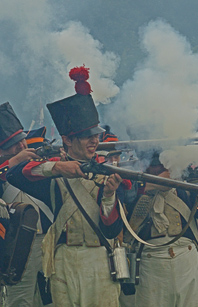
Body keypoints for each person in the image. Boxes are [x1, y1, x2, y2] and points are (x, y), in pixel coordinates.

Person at [6, 66, 123, 306]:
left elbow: (111, 231)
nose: (94, 141)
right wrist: (57, 168)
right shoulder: (54, 173)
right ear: (68, 140)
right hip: (62, 263)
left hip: (99, 262)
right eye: (86, 136)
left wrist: (109, 195)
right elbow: (15, 175)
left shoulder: (105, 173)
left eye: (95, 136)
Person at [120, 148, 198, 307]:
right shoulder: (132, 179)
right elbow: (123, 201)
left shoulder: (183, 176)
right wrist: (154, 184)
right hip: (149, 261)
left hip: (187, 258)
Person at [0, 103, 53, 307]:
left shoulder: (36, 163)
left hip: (47, 240)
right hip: (16, 246)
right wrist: (11, 164)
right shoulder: (7, 166)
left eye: (21, 140)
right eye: (13, 144)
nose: (21, 146)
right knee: (19, 301)